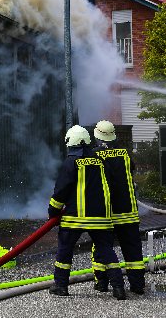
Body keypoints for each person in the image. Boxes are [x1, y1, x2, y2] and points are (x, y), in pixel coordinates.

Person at [47, 125, 126, 299]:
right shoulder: (101, 161)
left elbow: (61, 190)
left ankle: (61, 286)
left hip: (75, 218)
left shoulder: (71, 162)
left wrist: (53, 210)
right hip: (100, 217)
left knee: (65, 250)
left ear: (70, 143)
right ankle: (119, 288)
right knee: (107, 251)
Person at [92, 120, 145, 295]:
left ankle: (102, 283)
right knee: (133, 250)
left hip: (107, 213)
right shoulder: (125, 154)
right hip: (129, 213)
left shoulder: (95, 155)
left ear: (97, 137)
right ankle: (137, 286)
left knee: (102, 248)